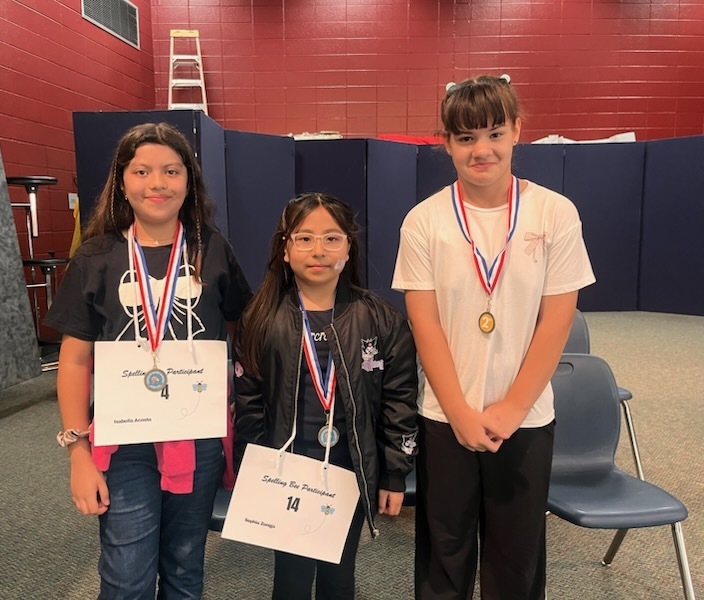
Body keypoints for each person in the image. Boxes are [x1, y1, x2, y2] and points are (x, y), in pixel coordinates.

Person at [392, 74, 596, 599]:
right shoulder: (424, 221)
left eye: (494, 133)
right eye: (465, 138)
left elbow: (557, 321)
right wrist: (459, 411)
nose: (481, 149)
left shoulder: (555, 213)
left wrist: (511, 407)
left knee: (516, 557)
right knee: (446, 552)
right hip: (445, 416)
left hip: (524, 417)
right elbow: (426, 322)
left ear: (517, 132)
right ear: (447, 143)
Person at [44, 122, 252, 600]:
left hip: (196, 437)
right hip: (123, 443)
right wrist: (78, 452)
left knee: (184, 568)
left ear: (189, 181)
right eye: (141, 171)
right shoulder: (96, 256)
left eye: (171, 171)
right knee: (126, 576)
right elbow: (75, 362)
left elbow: (238, 332)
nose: (157, 184)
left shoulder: (211, 249)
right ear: (121, 181)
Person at [233, 193, 419, 600]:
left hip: (349, 468)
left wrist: (393, 472)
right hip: (287, 470)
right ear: (285, 250)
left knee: (339, 572)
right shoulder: (260, 318)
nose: (318, 250)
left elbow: (400, 402)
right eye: (304, 239)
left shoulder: (382, 319)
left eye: (332, 238)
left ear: (349, 247)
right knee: (292, 578)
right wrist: (253, 473)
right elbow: (248, 403)